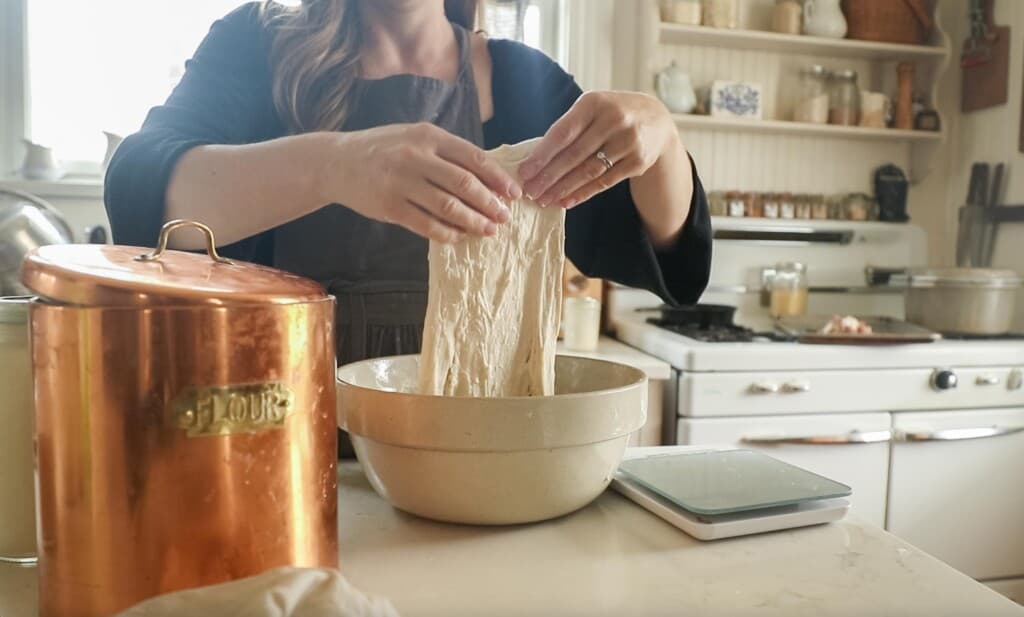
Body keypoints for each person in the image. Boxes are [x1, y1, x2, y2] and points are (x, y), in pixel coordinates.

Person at [105, 0, 711, 367]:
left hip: (467, 446)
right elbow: (142, 197)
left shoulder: (523, 81)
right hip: (280, 434)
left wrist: (662, 144)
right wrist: (334, 165)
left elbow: (655, 249)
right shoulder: (255, 45)